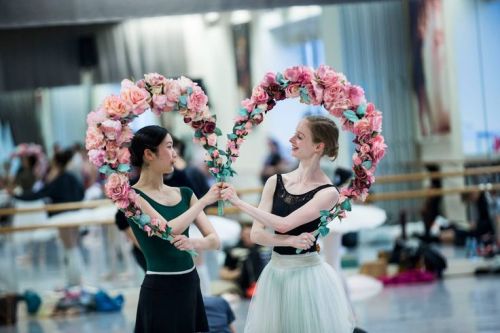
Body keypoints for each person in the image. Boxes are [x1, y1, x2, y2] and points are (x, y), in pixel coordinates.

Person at [221, 116, 355, 332]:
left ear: (318, 147)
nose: (291, 139)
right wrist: (291, 240)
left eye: (300, 137)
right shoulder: (275, 181)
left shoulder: (328, 192)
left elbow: (284, 223)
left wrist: (238, 203)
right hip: (276, 272)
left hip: (307, 275)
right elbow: (256, 235)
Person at [127, 125, 221, 333]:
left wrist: (194, 242)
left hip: (189, 284)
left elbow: (215, 240)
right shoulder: (132, 197)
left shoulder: (185, 193)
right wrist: (203, 201)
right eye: (169, 147)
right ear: (149, 154)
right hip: (159, 289)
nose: (175, 154)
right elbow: (167, 231)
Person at [219, 223, 265, 298]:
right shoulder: (233, 251)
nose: (247, 238)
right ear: (241, 235)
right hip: (242, 285)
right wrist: (237, 273)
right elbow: (223, 273)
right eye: (245, 235)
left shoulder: (263, 248)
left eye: (250, 235)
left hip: (262, 283)